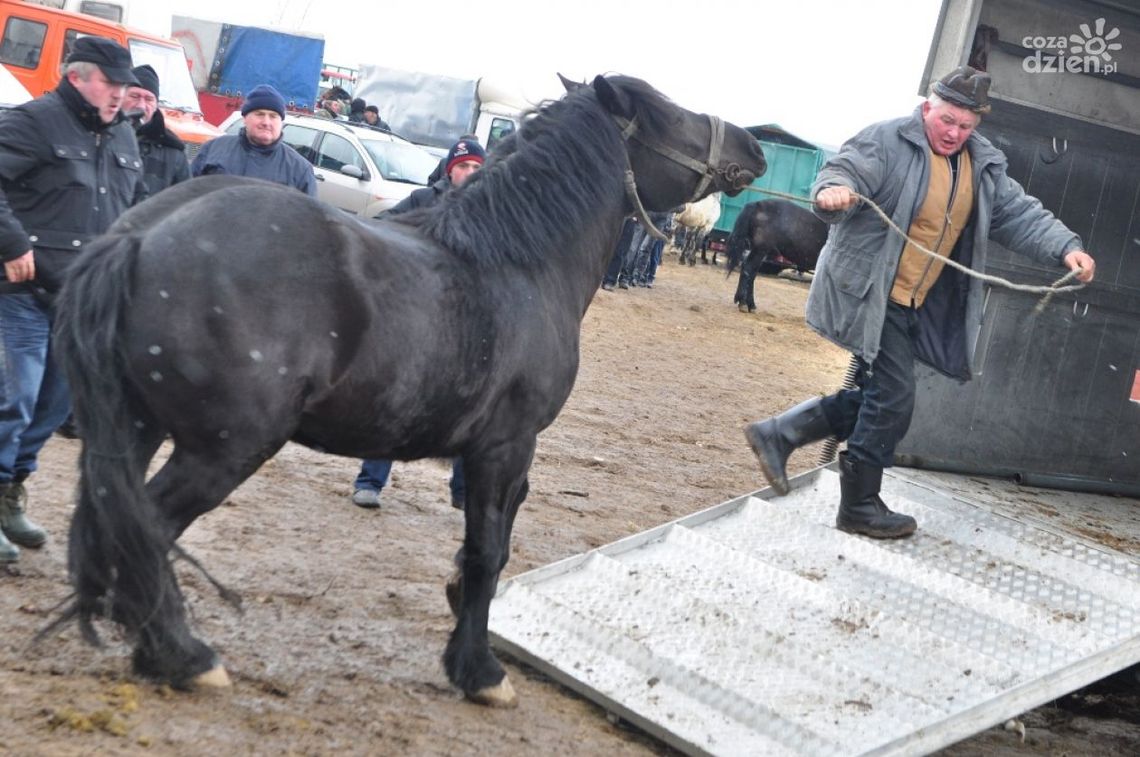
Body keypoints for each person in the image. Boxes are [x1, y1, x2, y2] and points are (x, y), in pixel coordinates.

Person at [743, 66, 1096, 540]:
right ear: (929, 106)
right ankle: (859, 506)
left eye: (965, 126)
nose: (953, 132)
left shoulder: (981, 164)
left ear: (977, 126)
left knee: (880, 397)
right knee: (893, 398)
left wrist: (1065, 247)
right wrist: (832, 192)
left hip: (915, 300)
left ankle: (780, 433)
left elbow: (1019, 213)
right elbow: (843, 169)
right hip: (871, 291)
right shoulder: (887, 141)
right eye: (947, 119)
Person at [0, 37, 147, 563]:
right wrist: (12, 243)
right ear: (77, 77)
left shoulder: (125, 136)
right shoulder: (34, 121)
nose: (119, 96)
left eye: (125, 87)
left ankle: (9, 496)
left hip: (81, 302)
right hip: (20, 292)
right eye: (111, 84)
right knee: (11, 401)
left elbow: (136, 211)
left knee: (54, 405)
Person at [351, 137, 487, 510]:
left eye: (477, 167)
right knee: (397, 399)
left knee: (468, 406)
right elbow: (380, 231)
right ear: (449, 168)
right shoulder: (422, 201)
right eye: (463, 166)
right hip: (415, 321)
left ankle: (462, 492)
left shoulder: (493, 211)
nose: (470, 173)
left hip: (465, 326)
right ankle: (369, 482)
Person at [191, 84, 317, 196]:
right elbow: (185, 196)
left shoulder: (300, 170)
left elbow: (309, 218)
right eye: (259, 114)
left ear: (281, 122)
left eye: (273, 116)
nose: (266, 122)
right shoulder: (213, 149)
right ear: (245, 118)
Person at [124, 64, 190, 196]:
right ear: (120, 97)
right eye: (135, 96)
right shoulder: (103, 137)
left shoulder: (173, 153)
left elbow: (185, 204)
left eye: (149, 99)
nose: (141, 106)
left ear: (156, 105)